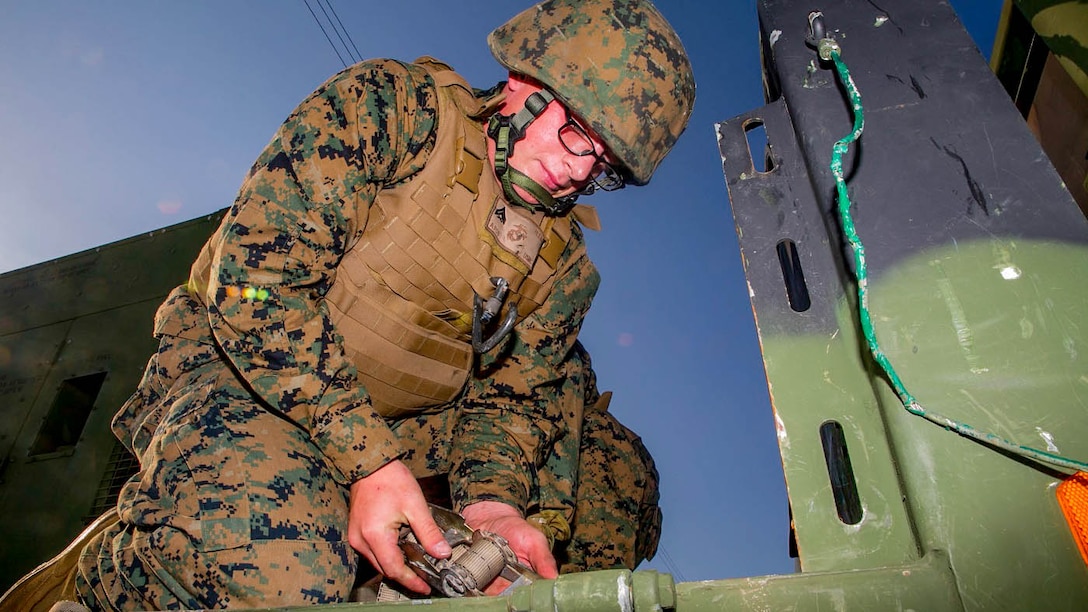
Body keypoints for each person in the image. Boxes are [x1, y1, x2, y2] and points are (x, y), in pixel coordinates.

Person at [2, 0, 694, 609]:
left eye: (602, 163)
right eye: (577, 134)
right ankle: (102, 590)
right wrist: (367, 460)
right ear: (523, 84)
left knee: (589, 442)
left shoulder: (565, 271)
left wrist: (495, 509)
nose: (579, 169)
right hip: (238, 370)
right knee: (288, 574)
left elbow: (509, 404)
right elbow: (254, 284)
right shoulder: (390, 108)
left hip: (399, 431)